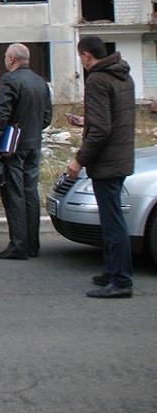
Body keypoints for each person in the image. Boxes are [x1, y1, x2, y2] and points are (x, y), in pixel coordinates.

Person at [67, 37, 136, 298]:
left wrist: (78, 160)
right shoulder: (122, 75)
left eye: (80, 57)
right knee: (112, 219)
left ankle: (120, 280)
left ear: (86, 56)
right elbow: (115, 118)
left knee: (112, 222)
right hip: (121, 156)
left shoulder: (96, 80)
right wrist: (88, 121)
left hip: (106, 161)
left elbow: (101, 130)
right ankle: (112, 271)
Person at [0, 43, 52, 260]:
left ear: (12, 59)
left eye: (6, 57)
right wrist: (32, 129)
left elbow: (1, 112)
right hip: (34, 143)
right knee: (31, 192)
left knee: (14, 193)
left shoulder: (10, 80)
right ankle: (32, 244)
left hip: (13, 146)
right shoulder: (41, 82)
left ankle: (18, 245)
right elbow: (47, 116)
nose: (5, 60)